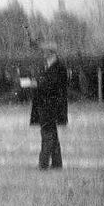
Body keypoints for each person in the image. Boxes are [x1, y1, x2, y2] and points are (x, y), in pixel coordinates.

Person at [29, 41, 67, 170]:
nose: (43, 54)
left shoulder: (58, 67)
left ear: (51, 53)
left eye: (45, 51)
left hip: (51, 106)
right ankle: (57, 163)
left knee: (47, 135)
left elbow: (53, 86)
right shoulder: (48, 66)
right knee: (52, 135)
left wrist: (38, 84)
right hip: (45, 105)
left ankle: (43, 163)